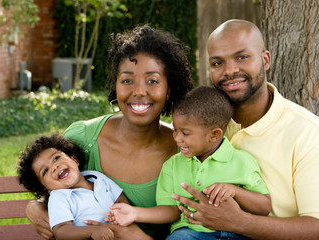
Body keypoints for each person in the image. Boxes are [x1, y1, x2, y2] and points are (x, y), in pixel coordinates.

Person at [172, 19, 319, 240]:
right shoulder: (198, 127)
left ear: (265, 60)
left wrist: (240, 223)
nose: (230, 71)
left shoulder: (308, 133)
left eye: (242, 57)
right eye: (218, 63)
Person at [25, 24, 194, 240]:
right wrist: (34, 206)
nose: (139, 91)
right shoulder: (83, 137)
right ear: (115, 86)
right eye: (127, 80)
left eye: (152, 81)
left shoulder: (186, 150)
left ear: (169, 89)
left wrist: (132, 234)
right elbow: (49, 183)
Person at [105, 86, 271, 240]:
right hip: (191, 233)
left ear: (214, 135)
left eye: (185, 133)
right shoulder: (172, 165)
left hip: (238, 234)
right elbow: (171, 210)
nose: (176, 138)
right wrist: (135, 213)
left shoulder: (242, 161)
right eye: (175, 129)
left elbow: (264, 206)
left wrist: (234, 191)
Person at [18, 134, 130, 240]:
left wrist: (123, 216)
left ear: (74, 160)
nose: (54, 166)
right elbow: (61, 231)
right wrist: (91, 231)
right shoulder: (59, 197)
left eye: (56, 158)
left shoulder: (97, 177)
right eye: (45, 171)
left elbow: (120, 198)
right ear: (46, 188)